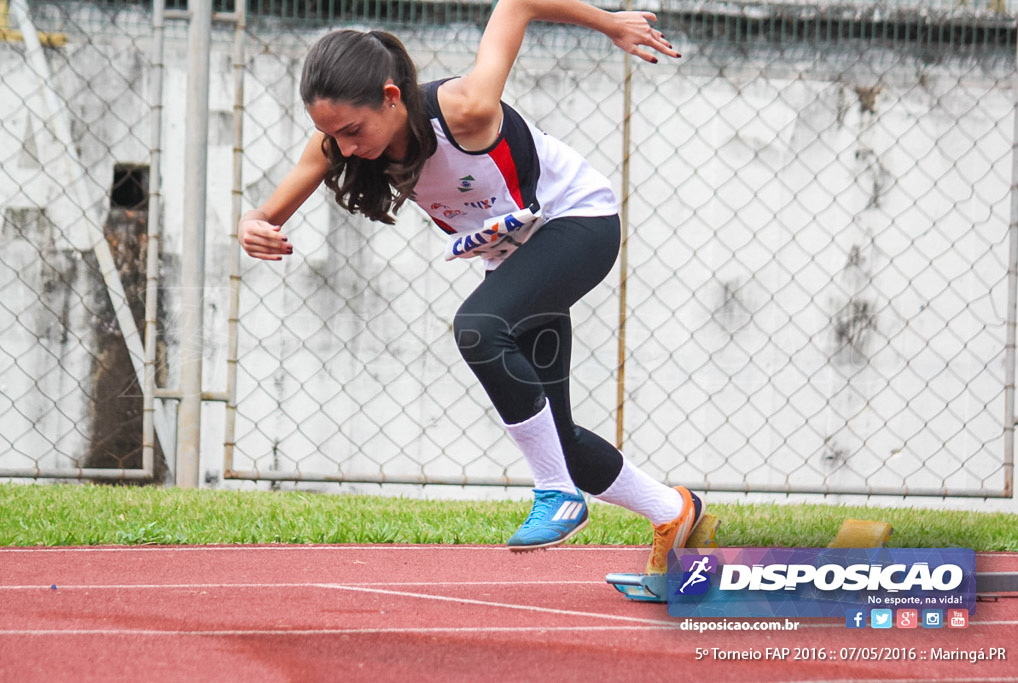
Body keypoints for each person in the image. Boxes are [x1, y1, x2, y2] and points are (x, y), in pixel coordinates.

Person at [238, 0, 704, 574]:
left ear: (390, 96)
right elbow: (265, 214)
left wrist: (611, 22)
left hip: (579, 223)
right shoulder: (340, 141)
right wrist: (251, 227)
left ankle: (556, 495)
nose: (346, 149)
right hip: (515, 259)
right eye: (330, 134)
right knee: (559, 438)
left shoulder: (465, 108)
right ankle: (672, 511)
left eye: (353, 130)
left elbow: (518, 3)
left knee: (479, 328)